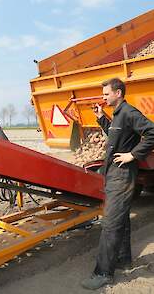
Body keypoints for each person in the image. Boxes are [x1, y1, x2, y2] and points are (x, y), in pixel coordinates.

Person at [81, 78, 154, 290]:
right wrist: (100, 118)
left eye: (106, 94)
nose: (103, 97)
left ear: (118, 93)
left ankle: (103, 272)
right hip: (113, 175)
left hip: (122, 176)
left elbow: (151, 132)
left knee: (111, 223)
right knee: (121, 218)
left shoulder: (129, 113)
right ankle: (123, 259)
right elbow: (116, 137)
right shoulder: (117, 115)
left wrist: (133, 155)